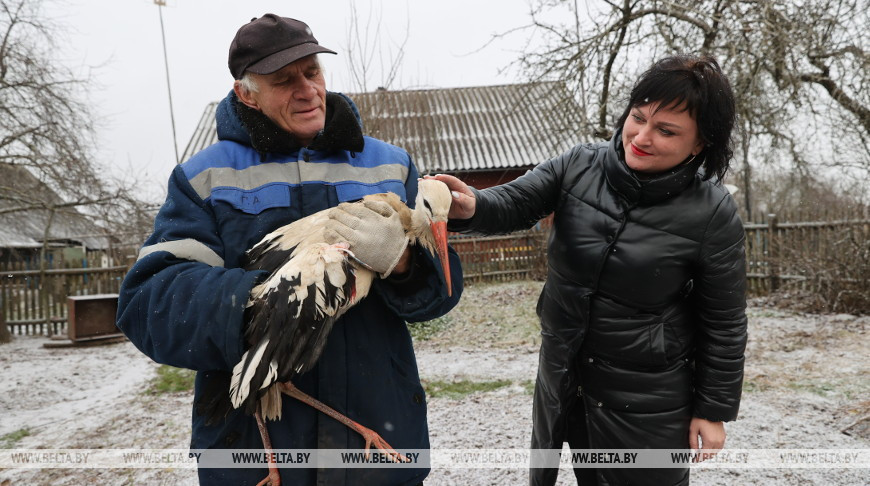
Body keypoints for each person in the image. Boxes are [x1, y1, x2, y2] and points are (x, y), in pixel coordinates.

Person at [116, 14, 462, 486]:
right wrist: (268, 303)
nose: (307, 90)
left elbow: (438, 294)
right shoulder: (203, 178)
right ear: (246, 94)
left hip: (376, 448)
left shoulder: (391, 164)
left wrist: (401, 262)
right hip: (255, 458)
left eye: (312, 72)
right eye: (284, 80)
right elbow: (149, 303)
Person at [432, 54, 746, 485]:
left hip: (647, 398)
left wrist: (712, 411)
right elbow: (515, 201)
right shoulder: (579, 164)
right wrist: (472, 203)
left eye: (666, 130)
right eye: (638, 117)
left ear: (699, 145)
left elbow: (724, 321)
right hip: (565, 375)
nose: (641, 136)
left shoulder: (712, 213)